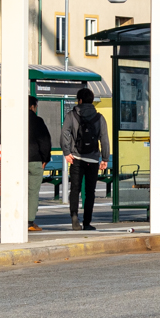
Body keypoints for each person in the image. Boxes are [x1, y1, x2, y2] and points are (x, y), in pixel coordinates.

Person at [60, 88, 109, 231]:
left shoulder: (71, 115)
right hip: (93, 159)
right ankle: (87, 222)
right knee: (90, 192)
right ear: (92, 100)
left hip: (76, 158)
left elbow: (64, 133)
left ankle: (74, 217)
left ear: (79, 100)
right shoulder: (100, 118)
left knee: (75, 189)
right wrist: (105, 158)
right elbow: (104, 139)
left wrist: (66, 151)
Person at [28, 96, 53, 233]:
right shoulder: (38, 121)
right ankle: (29, 222)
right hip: (35, 161)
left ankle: (16, 218)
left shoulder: (13, 120)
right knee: (32, 192)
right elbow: (45, 142)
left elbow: (2, 140)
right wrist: (45, 159)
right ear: (32, 107)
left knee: (18, 191)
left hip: (16, 162)